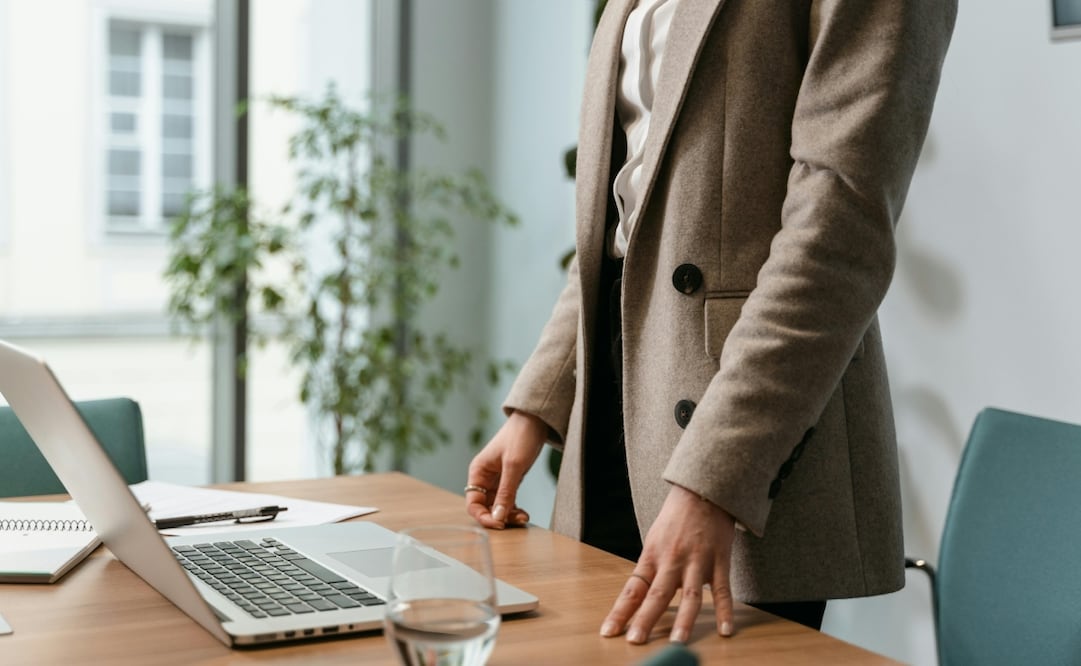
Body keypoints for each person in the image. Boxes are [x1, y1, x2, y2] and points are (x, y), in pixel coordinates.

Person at [465, 0, 957, 645]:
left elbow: (840, 230)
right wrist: (540, 403)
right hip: (616, 401)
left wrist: (716, 477)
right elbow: (628, 226)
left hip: (744, 421)